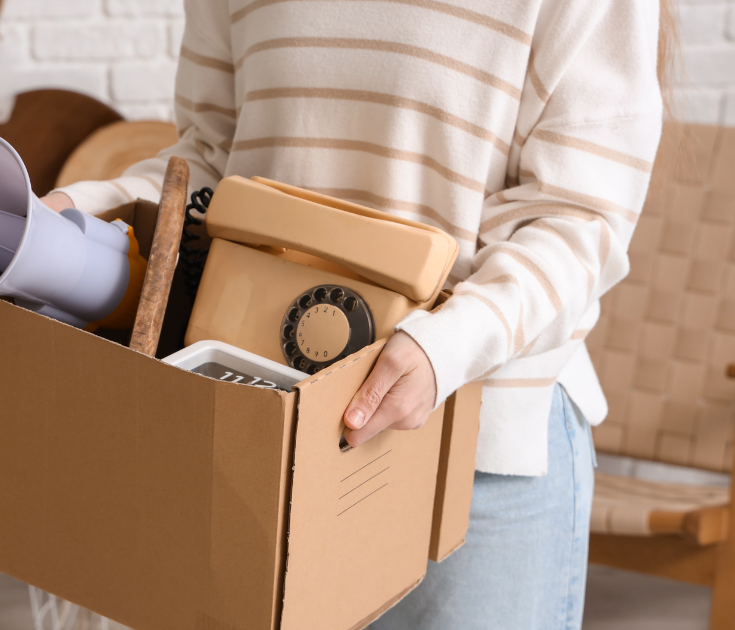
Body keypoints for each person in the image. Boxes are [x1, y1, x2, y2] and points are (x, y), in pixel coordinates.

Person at [41, 0, 673, 628]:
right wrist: (82, 212)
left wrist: (445, 347)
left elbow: (577, 216)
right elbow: (211, 161)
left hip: (475, 444)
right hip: (267, 435)